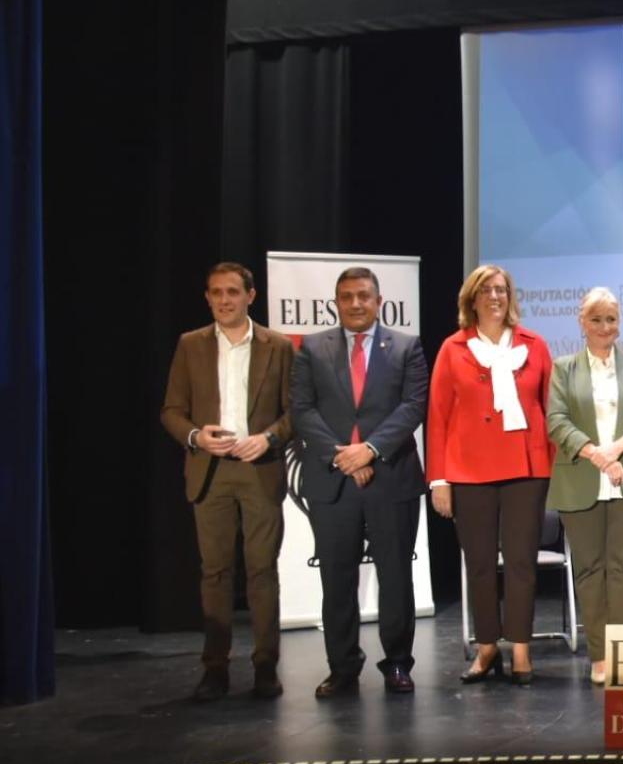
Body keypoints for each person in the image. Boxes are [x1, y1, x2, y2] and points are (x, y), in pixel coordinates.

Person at [290, 267, 428, 697]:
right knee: (337, 578)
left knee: (395, 577)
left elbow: (413, 406)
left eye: (363, 296)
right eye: (347, 296)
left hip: (392, 479)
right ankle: (343, 667)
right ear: (336, 302)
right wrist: (344, 456)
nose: (355, 303)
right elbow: (302, 408)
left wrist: (369, 450)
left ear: (378, 300)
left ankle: (398, 665)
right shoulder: (312, 348)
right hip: (333, 480)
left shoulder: (406, 346)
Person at [159, 262, 294, 701]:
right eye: (215, 292)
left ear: (250, 296)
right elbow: (172, 411)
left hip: (259, 469)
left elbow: (297, 411)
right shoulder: (191, 345)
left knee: (262, 572)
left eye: (232, 292)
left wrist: (269, 438)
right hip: (210, 471)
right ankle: (215, 669)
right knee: (215, 572)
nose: (224, 300)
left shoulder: (277, 345)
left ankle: (265, 667)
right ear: (207, 297)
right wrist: (197, 436)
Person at [426, 264, 554, 685]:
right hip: (469, 471)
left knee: (521, 563)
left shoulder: (534, 346)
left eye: (502, 290)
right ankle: (486, 649)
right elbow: (439, 417)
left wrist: (554, 470)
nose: (495, 297)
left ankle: (520, 649)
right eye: (486, 291)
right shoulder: (453, 348)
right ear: (472, 299)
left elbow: (552, 411)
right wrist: (439, 479)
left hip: (526, 468)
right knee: (479, 564)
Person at [546, 287, 623, 685]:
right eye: (596, 319)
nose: (604, 326)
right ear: (582, 322)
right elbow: (556, 421)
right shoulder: (563, 368)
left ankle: (622, 652)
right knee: (590, 570)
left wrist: (615, 450)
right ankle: (599, 655)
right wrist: (597, 455)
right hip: (581, 479)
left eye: (611, 319)